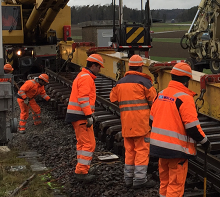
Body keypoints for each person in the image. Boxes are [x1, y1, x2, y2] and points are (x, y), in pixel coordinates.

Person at [148, 63, 209, 197]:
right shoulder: (185, 98)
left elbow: (152, 120)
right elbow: (192, 127)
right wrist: (205, 142)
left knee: (165, 183)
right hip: (176, 151)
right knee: (175, 185)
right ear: (186, 80)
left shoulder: (161, 94)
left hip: (159, 149)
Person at [109, 55, 157, 189]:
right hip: (141, 124)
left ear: (130, 66)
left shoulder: (120, 83)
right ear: (141, 67)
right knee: (141, 150)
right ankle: (140, 179)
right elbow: (154, 101)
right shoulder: (145, 83)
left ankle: (128, 178)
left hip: (126, 124)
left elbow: (113, 98)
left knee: (129, 151)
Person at [65, 54, 104, 182]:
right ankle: (81, 171)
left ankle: (83, 168)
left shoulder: (82, 76)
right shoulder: (86, 78)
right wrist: (88, 115)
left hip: (78, 115)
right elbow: (83, 99)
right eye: (99, 67)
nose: (99, 70)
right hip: (81, 116)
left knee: (84, 143)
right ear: (93, 66)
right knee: (88, 144)